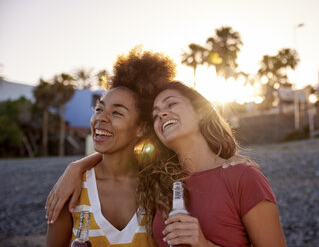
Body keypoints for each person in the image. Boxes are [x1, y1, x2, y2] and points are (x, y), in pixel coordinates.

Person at [46, 83, 285, 245]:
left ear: (202, 112)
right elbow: (118, 158)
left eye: (171, 105)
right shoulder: (161, 182)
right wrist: (75, 168)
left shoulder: (243, 176)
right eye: (156, 113)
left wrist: (202, 244)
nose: (161, 114)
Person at [45, 48, 177, 246]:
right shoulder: (72, 190)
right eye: (99, 108)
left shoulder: (161, 187)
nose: (100, 118)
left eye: (117, 113)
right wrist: (76, 168)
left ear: (141, 127)